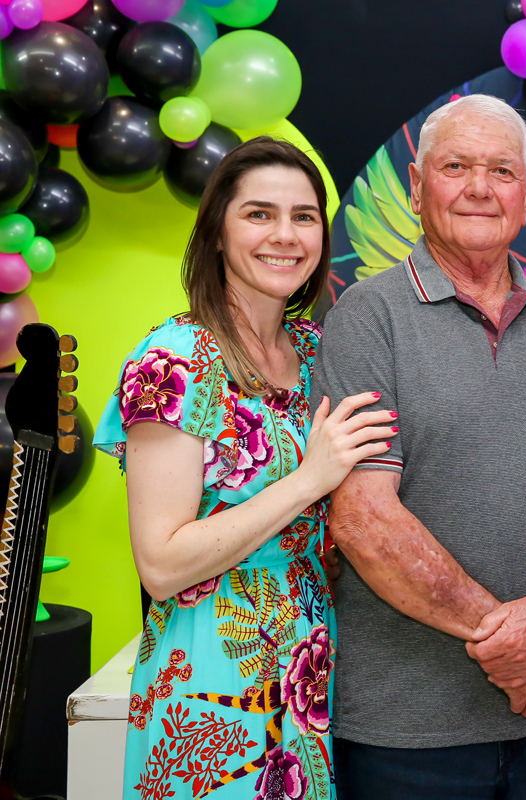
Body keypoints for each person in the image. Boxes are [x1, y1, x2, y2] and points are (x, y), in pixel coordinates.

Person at [310, 93, 526, 800]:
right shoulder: (367, 317)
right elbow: (363, 519)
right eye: (456, 167)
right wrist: (519, 647)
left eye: (501, 171)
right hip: (409, 727)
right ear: (417, 185)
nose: (480, 187)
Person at [95, 137, 395, 799]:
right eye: (259, 214)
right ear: (217, 233)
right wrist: (310, 479)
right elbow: (162, 564)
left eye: (304, 216)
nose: (285, 235)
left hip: (316, 666)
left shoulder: (319, 352)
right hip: (213, 681)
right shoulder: (176, 359)